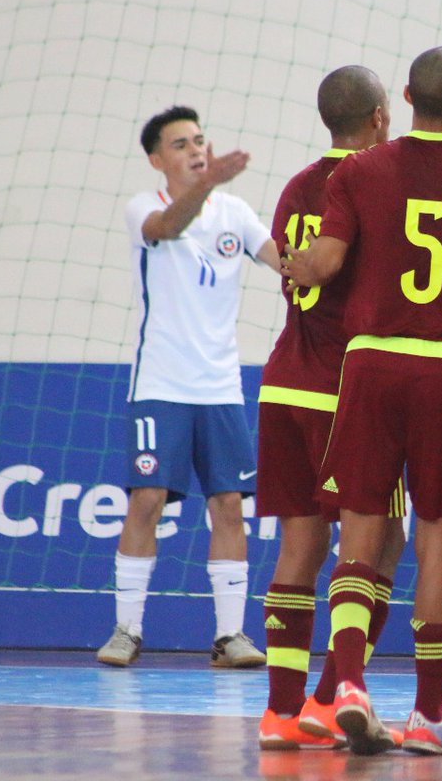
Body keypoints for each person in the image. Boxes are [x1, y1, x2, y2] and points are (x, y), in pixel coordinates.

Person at [281, 46, 442, 757]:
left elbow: (327, 263)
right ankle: (430, 716)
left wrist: (295, 263)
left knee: (358, 539)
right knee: (439, 547)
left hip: (370, 365)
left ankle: (345, 686)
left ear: (403, 98)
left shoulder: (361, 169)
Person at [254, 65, 408, 752]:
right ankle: (333, 694)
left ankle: (280, 714)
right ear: (379, 116)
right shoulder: (379, 182)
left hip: (283, 380)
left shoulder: (295, 186)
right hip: (350, 390)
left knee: (299, 546)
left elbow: (297, 266)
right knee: (381, 542)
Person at [97, 106, 281, 669]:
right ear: (157, 159)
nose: (195, 149)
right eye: (180, 144)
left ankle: (230, 637)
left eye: (200, 140)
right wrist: (207, 185)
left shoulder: (236, 212)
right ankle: (127, 629)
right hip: (160, 382)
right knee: (146, 500)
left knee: (228, 505)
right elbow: (168, 228)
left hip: (221, 387)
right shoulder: (144, 209)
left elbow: (281, 261)